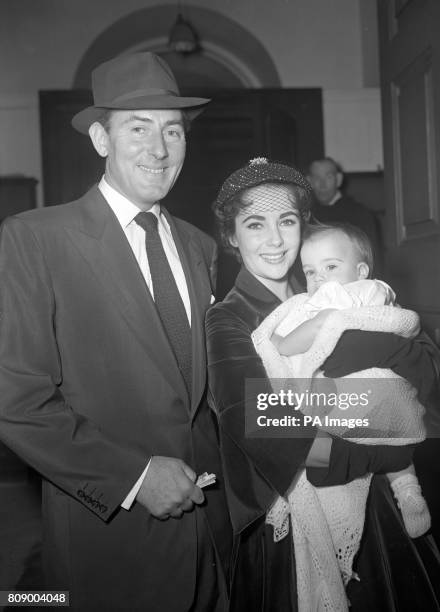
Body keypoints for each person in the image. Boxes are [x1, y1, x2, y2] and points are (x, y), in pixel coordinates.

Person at [0, 52, 231, 611]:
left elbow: (213, 392)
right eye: (138, 128)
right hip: (108, 538)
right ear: (101, 139)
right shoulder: (37, 238)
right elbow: (17, 400)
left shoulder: (202, 248)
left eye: (172, 130)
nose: (159, 149)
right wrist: (133, 478)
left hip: (214, 537)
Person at [206, 157, 440, 611]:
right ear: (231, 236)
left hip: (384, 504)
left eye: (287, 221)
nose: (274, 239)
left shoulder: (352, 289)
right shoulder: (229, 317)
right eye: (254, 224)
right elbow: (259, 420)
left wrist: (392, 355)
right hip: (299, 508)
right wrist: (375, 452)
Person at [264, 222, 431, 540]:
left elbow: (321, 327)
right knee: (398, 449)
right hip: (386, 400)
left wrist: (281, 344)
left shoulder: (339, 297)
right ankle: (408, 490)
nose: (320, 279)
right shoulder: (378, 291)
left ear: (362, 270)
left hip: (363, 392)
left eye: (330, 266)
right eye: (310, 271)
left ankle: (387, 480)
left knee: (318, 453)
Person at [306, 157, 382, 270]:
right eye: (317, 178)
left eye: (328, 177)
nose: (322, 184)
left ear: (339, 179)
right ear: (309, 181)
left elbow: (372, 259)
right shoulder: (306, 216)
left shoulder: (359, 214)